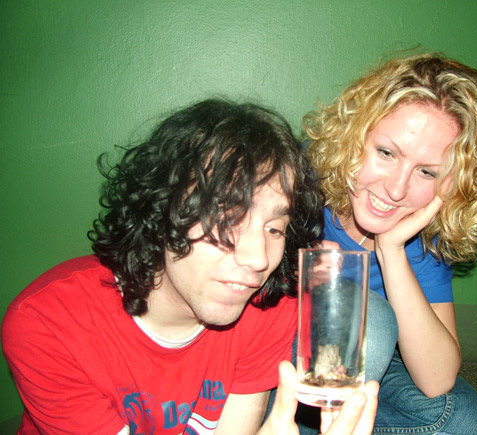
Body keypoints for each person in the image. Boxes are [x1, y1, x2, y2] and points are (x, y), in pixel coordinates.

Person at [1, 99, 379, 435]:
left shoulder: (264, 310)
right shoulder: (48, 323)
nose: (258, 258)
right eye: (228, 217)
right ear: (161, 206)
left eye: (274, 228)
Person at [300, 53, 477, 434]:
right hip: (277, 366)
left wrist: (392, 250)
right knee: (372, 323)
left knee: (463, 419)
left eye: (427, 172)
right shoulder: (298, 180)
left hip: (367, 373)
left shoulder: (421, 235)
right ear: (354, 135)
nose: (397, 189)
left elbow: (437, 378)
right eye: (386, 153)